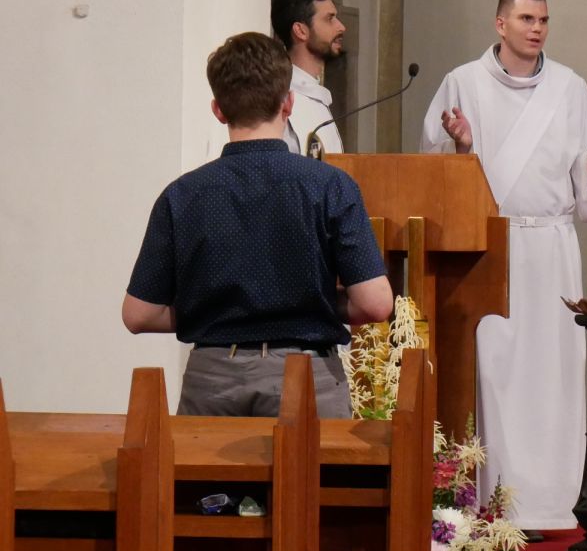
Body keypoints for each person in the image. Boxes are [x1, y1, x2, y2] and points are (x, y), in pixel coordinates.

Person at [122, 33, 393, 417]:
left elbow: (138, 314)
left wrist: (213, 310)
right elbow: (376, 303)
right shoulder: (330, 186)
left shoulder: (182, 195)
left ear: (218, 110)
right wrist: (307, 301)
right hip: (305, 377)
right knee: (309, 461)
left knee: (207, 462)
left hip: (213, 380)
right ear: (289, 103)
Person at [420, 0, 587, 531]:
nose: (536, 28)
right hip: (492, 247)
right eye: (526, 19)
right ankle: (498, 502)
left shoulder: (569, 88)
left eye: (543, 19)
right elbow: (435, 173)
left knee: (554, 371)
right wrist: (461, 147)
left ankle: (552, 500)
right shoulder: (463, 83)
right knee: (496, 370)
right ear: (500, 24)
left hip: (552, 248)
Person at [270, 0, 348, 156]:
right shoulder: (279, 99)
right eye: (330, 19)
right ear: (300, 31)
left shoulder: (316, 96)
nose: (341, 27)